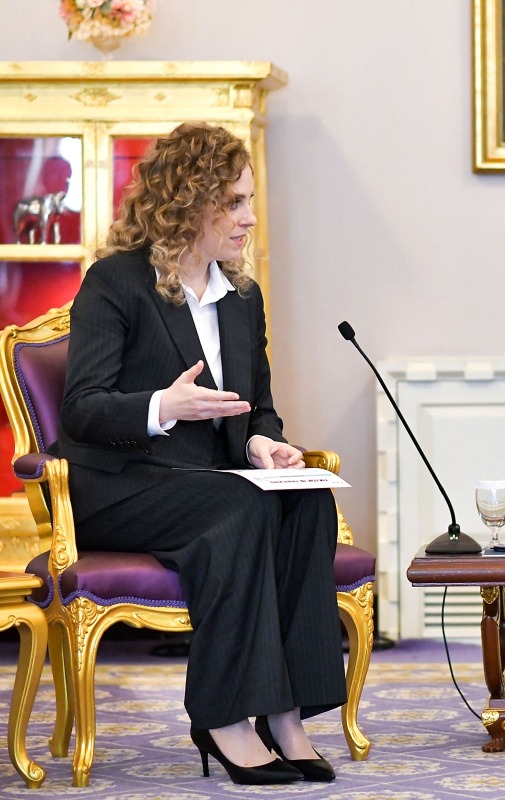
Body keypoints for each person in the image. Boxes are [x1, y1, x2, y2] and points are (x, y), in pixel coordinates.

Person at [53, 122, 344, 785]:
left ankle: (286, 713)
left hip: (209, 486)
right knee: (237, 505)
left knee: (309, 499)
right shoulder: (115, 283)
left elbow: (258, 406)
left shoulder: (242, 297)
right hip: (121, 487)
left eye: (250, 200)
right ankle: (223, 716)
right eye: (235, 202)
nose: (250, 217)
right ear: (190, 200)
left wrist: (266, 442)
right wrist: (163, 407)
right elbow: (83, 408)